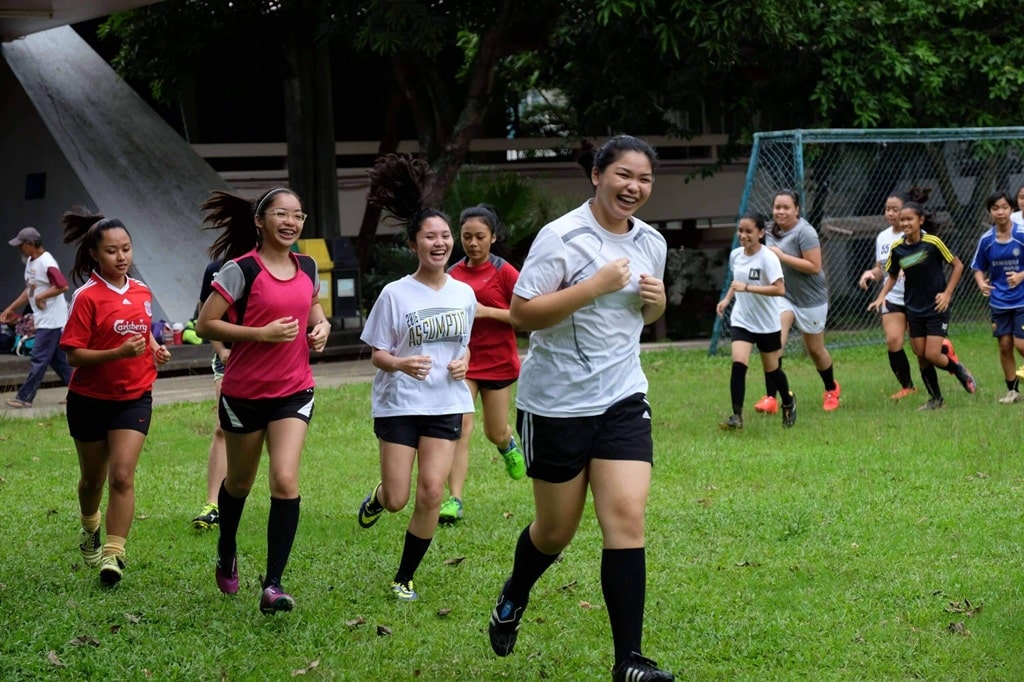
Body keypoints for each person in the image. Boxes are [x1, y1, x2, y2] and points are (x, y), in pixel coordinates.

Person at [486, 135, 674, 681]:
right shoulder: (561, 237)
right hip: (556, 405)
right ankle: (515, 593)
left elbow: (640, 315)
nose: (633, 187)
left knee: (626, 518)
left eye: (644, 179)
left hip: (622, 397)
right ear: (597, 175)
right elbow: (522, 315)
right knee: (555, 531)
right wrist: (592, 286)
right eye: (623, 175)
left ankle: (629, 661)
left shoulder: (652, 241)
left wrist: (657, 303)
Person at [195, 187, 330, 615]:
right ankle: (227, 547)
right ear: (260, 220)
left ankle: (273, 584)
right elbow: (205, 324)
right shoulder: (241, 270)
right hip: (245, 394)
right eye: (281, 214)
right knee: (239, 482)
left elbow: (313, 307)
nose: (291, 222)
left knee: (285, 480)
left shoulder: (308, 266)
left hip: (294, 390)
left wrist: (321, 328)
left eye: (298, 215)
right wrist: (260, 334)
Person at [356, 153, 476, 601]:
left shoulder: (464, 293)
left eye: (445, 236)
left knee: (431, 493)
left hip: (446, 402)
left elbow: (463, 344)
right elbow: (377, 354)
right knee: (397, 499)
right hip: (400, 404)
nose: (439, 243)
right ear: (413, 244)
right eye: (430, 237)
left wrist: (464, 362)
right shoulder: (395, 294)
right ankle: (378, 497)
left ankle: (404, 576)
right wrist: (402, 364)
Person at [58, 208, 171, 586]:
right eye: (111, 251)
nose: (121, 257)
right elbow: (73, 356)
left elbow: (142, 329)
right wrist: (117, 353)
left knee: (122, 475)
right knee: (93, 480)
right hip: (89, 400)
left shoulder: (141, 291)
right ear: (94, 254)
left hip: (134, 396)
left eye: (126, 249)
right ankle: (90, 525)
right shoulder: (86, 297)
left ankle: (113, 554)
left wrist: (154, 348)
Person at [439, 204, 526, 524]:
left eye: (479, 237)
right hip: (464, 361)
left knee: (494, 430)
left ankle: (507, 443)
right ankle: (455, 499)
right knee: (460, 427)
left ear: (493, 237)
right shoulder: (452, 275)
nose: (473, 243)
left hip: (499, 361)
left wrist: (486, 311)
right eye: (467, 237)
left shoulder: (505, 272)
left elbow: (525, 315)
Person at [868, 200, 976, 409]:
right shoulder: (897, 248)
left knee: (932, 354)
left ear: (921, 220)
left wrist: (947, 294)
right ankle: (936, 399)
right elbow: (892, 275)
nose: (905, 223)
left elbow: (958, 265)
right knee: (921, 354)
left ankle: (958, 370)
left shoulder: (933, 242)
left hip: (936, 306)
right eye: (902, 220)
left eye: (909, 219)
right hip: (913, 308)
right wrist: (881, 297)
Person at [753, 190, 841, 413]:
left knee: (815, 350)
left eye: (786, 207)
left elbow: (815, 266)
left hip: (810, 299)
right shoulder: (768, 231)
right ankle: (771, 398)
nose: (780, 212)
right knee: (774, 345)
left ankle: (831, 389)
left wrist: (782, 257)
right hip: (784, 296)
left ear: (797, 210)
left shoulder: (805, 232)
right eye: (777, 207)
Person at [716, 212, 796, 430]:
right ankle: (736, 416)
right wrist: (727, 299)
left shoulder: (768, 258)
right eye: (740, 231)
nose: (743, 235)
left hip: (766, 323)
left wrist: (748, 288)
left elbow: (780, 289)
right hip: (742, 319)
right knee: (738, 364)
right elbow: (737, 282)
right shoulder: (736, 255)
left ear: (760, 233)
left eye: (748, 231)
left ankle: (788, 400)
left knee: (772, 370)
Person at [1, 226, 73, 408]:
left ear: (31, 244)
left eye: (21, 245)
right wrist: (10, 308)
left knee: (39, 358)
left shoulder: (47, 262)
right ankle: (79, 393)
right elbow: (29, 291)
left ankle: (24, 398)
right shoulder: (30, 262)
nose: (19, 249)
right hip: (43, 318)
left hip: (52, 320)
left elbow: (63, 285)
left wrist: (41, 297)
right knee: (58, 360)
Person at [858, 190, 920, 400]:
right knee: (893, 341)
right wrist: (870, 273)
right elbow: (881, 269)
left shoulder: (917, 233)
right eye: (887, 209)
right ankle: (907, 387)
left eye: (895, 209)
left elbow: (925, 261)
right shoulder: (882, 237)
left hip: (916, 296)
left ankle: (947, 356)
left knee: (920, 348)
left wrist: (907, 267)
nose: (891, 213)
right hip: (892, 297)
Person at [970, 191, 1024, 404]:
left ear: (1012, 209)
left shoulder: (1021, 234)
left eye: (1004, 207)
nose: (1000, 212)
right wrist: (981, 283)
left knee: (1021, 344)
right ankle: (1013, 391)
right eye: (995, 208)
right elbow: (978, 267)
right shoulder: (986, 240)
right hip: (999, 301)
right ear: (990, 212)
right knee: (1005, 345)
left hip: (1022, 300)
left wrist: (1020, 276)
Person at [190, 260, 230, 530]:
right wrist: (221, 350)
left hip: (267, 358)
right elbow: (205, 316)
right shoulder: (216, 269)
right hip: (228, 358)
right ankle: (213, 504)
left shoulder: (276, 264)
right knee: (222, 427)